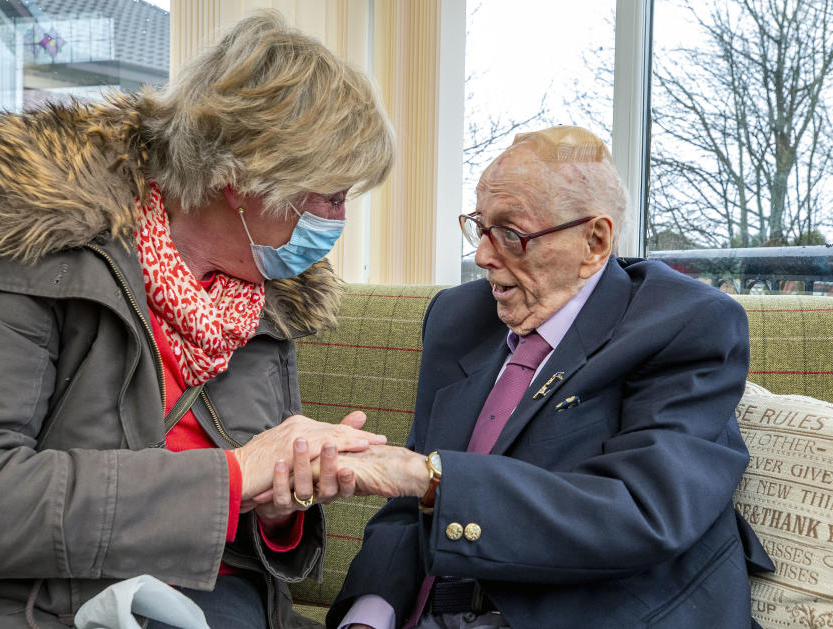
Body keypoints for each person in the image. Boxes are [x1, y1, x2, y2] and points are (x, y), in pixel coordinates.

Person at [0, 11, 394, 629]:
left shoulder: (263, 302)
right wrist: (229, 477)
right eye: (329, 196)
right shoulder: (37, 253)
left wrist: (280, 502)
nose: (336, 221)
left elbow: (239, 529)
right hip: (39, 606)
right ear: (241, 177)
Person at [327, 126, 773, 629]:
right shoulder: (458, 317)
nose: (483, 257)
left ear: (594, 241)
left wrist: (429, 478)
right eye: (480, 227)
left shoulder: (686, 323)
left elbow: (642, 510)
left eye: (512, 234)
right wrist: (368, 615)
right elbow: (408, 510)